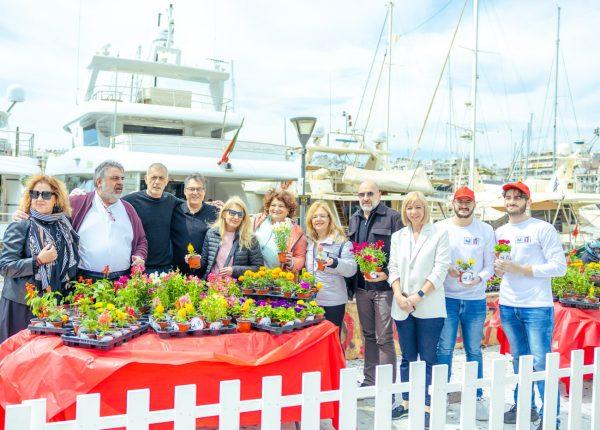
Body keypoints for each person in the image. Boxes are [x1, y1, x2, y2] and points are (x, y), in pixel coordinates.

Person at [494, 181, 566, 430]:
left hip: (536, 306)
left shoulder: (542, 228)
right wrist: (498, 269)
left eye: (518, 197)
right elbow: (501, 268)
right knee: (519, 360)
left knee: (541, 363)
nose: (512, 201)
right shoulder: (500, 231)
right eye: (508, 197)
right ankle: (525, 407)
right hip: (508, 304)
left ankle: (550, 418)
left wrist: (522, 269)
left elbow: (559, 267)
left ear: (527, 201)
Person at [388, 191, 450, 427]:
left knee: (428, 357)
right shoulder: (398, 236)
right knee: (407, 357)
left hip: (429, 305)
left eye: (418, 207)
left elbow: (440, 270)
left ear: (425, 209)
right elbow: (393, 267)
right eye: (409, 207)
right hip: (402, 304)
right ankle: (406, 400)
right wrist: (398, 295)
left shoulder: (439, 234)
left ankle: (425, 403)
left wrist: (418, 295)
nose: (414, 212)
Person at [435, 186, 495, 420]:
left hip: (475, 300)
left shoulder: (486, 230)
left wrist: (479, 278)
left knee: (474, 350)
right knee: (444, 349)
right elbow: (434, 260)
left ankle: (476, 396)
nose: (463, 205)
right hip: (446, 298)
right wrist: (446, 269)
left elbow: (490, 266)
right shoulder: (440, 228)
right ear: (452, 203)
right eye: (459, 201)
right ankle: (441, 393)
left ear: (474, 205)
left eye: (467, 201)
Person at [0, 175, 79, 342]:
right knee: (20, 352)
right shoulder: (21, 224)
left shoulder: (64, 225)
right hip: (23, 305)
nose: (39, 198)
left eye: (46, 194)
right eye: (35, 194)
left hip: (53, 302)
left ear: (56, 198)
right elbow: (5, 266)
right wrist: (38, 260)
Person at [346, 180, 402, 389]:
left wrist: (386, 273)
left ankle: (387, 387)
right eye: (361, 194)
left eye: (370, 193)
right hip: (362, 289)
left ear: (379, 194)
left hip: (384, 289)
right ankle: (370, 381)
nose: (366, 198)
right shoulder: (355, 218)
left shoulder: (393, 217)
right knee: (368, 336)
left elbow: (401, 254)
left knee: (384, 338)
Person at [305, 201, 357, 332]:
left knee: (332, 339)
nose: (318, 219)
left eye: (322, 216)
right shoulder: (310, 242)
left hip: (333, 302)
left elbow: (351, 269)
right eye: (314, 216)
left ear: (330, 219)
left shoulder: (342, 242)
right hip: (312, 301)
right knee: (314, 339)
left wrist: (335, 262)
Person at [122, 163, 180, 274]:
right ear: (146, 179)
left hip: (165, 268)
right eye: (153, 177)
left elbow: (191, 206)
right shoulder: (130, 201)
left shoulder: (171, 200)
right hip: (138, 266)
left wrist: (213, 206)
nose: (157, 182)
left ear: (167, 181)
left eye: (161, 178)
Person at [199, 197, 263, 279]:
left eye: (240, 214)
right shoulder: (211, 233)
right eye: (232, 213)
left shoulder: (250, 238)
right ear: (224, 214)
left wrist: (234, 271)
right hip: (212, 284)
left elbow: (259, 267)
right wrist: (196, 261)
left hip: (235, 285)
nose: (236, 217)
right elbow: (204, 263)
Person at [171, 173, 218, 274]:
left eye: (199, 189)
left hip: (205, 274)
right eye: (191, 189)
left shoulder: (215, 213)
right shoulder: (174, 211)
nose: (195, 192)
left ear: (204, 191)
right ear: (185, 191)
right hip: (177, 274)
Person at [253, 188, 307, 272]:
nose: (276, 209)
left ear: (288, 209)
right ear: (268, 207)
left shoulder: (296, 231)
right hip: (254, 274)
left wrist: (291, 262)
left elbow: (300, 257)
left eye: (281, 206)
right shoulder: (258, 220)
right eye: (273, 205)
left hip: (279, 276)